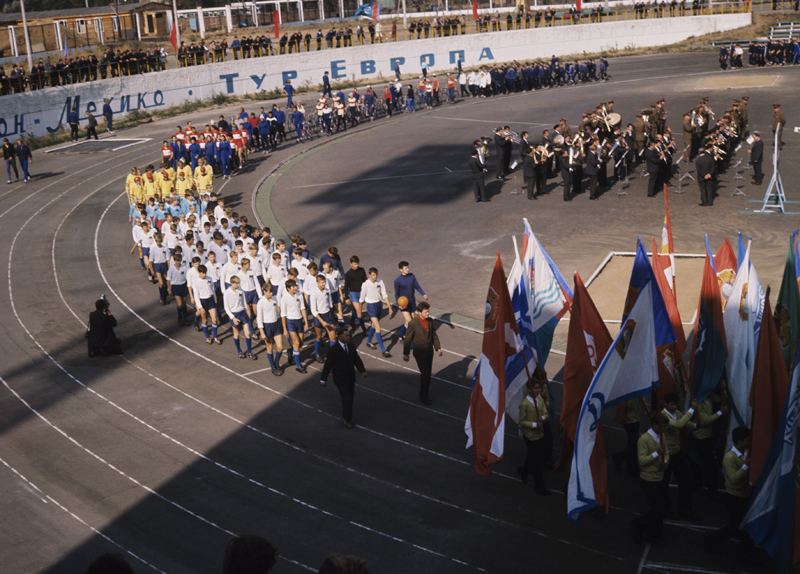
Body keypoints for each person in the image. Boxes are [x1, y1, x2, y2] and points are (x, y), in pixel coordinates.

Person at [703, 426, 754, 558]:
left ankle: (746, 552)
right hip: (735, 497)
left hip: (745, 494)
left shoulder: (747, 452)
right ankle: (711, 538)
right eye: (747, 440)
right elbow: (732, 480)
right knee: (734, 526)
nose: (749, 442)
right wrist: (745, 466)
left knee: (745, 525)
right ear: (739, 441)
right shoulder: (729, 458)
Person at [632, 414, 669, 544]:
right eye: (664, 426)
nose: (666, 428)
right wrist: (657, 453)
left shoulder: (662, 436)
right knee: (658, 509)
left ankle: (654, 534)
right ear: (655, 426)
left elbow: (667, 452)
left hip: (660, 477)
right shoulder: (644, 440)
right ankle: (640, 524)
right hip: (648, 479)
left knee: (660, 509)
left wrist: (665, 461)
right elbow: (642, 461)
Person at [320, 326, 367, 428]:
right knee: (347, 398)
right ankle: (346, 419)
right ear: (340, 337)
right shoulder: (334, 350)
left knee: (350, 398)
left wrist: (362, 370)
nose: (349, 337)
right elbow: (327, 366)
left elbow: (356, 359)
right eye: (346, 336)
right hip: (340, 379)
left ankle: (349, 417)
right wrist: (323, 379)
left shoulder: (351, 346)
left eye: (349, 335)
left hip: (350, 377)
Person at [662, 393, 698, 520]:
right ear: (665, 404)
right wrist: (692, 409)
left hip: (676, 453)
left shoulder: (676, 413)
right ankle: (664, 508)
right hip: (666, 455)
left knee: (686, 480)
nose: (675, 407)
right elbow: (678, 425)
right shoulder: (663, 416)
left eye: (676, 404)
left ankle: (684, 509)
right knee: (663, 484)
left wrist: (696, 426)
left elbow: (685, 422)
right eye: (672, 404)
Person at [401, 301, 442, 405]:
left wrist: (438, 348)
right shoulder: (413, 323)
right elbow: (407, 339)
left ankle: (425, 394)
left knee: (427, 374)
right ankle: (423, 396)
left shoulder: (430, 321)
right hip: (419, 352)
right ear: (419, 312)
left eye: (428, 312)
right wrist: (406, 353)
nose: (428, 313)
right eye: (426, 312)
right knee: (426, 373)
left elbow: (434, 335)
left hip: (429, 351)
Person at [517, 379, 551, 496]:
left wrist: (543, 418)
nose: (538, 390)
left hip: (539, 434)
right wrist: (535, 424)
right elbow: (522, 421)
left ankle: (524, 470)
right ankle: (539, 486)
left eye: (538, 388)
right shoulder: (525, 405)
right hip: (530, 436)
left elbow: (545, 413)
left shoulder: (540, 400)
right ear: (530, 389)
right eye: (536, 388)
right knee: (537, 462)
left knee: (533, 456)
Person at [360, 267, 393, 357]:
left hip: (379, 305)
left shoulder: (380, 282)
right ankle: (383, 350)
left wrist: (390, 307)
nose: (375, 276)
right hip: (371, 306)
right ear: (369, 275)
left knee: (374, 325)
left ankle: (368, 341)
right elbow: (361, 299)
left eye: (376, 274)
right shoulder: (365, 284)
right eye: (373, 275)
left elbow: (384, 295)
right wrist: (359, 311)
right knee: (378, 327)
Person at [224, 275, 257, 360]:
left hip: (242, 313)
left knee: (248, 333)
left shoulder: (241, 291)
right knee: (236, 333)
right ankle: (239, 351)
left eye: (239, 283)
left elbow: (244, 302)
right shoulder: (227, 293)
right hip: (234, 314)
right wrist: (233, 318)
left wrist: (247, 312)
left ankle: (249, 352)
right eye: (236, 283)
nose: (238, 285)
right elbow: (226, 308)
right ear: (232, 283)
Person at [394, 261, 428, 341]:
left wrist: (423, 294)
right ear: (400, 270)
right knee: (410, 323)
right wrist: (399, 304)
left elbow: (417, 286)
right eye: (406, 268)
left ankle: (401, 333)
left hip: (412, 302)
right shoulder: (397, 280)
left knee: (411, 322)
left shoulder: (412, 276)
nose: (408, 269)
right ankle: (411, 343)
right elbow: (397, 294)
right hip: (404, 304)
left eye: (408, 267)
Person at [280, 279, 309, 373]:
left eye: (295, 286)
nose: (295, 288)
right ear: (288, 288)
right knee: (296, 343)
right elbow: (283, 315)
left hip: (299, 321)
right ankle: (298, 365)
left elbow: (303, 308)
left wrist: (306, 322)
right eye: (293, 287)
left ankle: (290, 351)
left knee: (300, 343)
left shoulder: (299, 295)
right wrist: (284, 329)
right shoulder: (284, 298)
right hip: (290, 322)